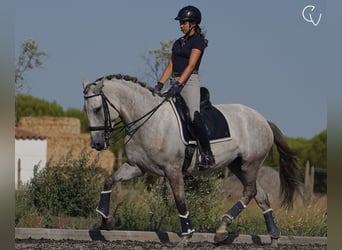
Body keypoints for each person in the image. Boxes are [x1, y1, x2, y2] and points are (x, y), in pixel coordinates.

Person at [154, 5, 215, 169]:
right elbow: (171, 64)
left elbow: (191, 65)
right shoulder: (178, 43)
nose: (181, 25)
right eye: (180, 23)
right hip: (174, 80)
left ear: (193, 23)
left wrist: (179, 84)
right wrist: (159, 84)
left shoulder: (198, 41)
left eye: (184, 22)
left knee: (193, 116)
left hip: (189, 81)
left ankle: (207, 154)